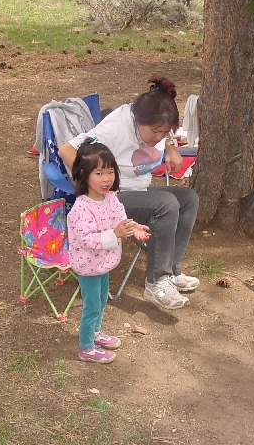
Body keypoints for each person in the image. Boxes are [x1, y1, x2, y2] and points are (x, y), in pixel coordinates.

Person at [59, 75, 200, 311]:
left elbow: (163, 134)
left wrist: (170, 148)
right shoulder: (116, 128)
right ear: (138, 120)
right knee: (166, 203)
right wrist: (95, 186)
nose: (159, 137)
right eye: (155, 132)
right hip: (113, 199)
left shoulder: (156, 122)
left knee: (189, 199)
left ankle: (171, 271)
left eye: (164, 132)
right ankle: (157, 282)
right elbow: (67, 150)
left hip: (138, 189)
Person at [67, 138, 150, 364]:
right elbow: (87, 240)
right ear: (83, 174)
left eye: (110, 172)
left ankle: (95, 332)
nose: (106, 179)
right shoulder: (81, 208)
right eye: (99, 173)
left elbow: (120, 218)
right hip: (88, 266)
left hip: (103, 264)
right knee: (92, 306)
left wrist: (134, 228)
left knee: (102, 300)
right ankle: (86, 347)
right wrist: (115, 234)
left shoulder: (110, 198)